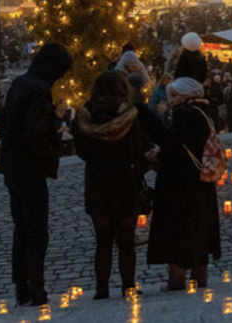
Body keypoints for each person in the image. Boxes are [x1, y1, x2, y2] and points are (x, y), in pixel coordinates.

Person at [0, 42, 74, 307]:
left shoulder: (20, 83)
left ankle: (22, 287)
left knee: (21, 229)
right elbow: (34, 133)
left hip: (12, 167)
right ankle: (37, 288)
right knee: (36, 232)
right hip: (30, 169)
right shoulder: (40, 90)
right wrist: (52, 156)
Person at [73, 71, 147, 300]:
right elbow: (140, 148)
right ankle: (128, 288)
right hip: (126, 182)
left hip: (97, 183)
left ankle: (101, 290)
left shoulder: (84, 116)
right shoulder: (130, 115)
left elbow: (81, 151)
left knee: (102, 242)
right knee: (126, 242)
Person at [144, 78, 221, 291]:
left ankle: (177, 280)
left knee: (179, 230)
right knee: (199, 229)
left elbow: (172, 143)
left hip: (182, 184)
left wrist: (145, 117)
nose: (171, 100)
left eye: (175, 95)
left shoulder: (186, 115)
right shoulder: (202, 112)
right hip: (200, 182)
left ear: (188, 96)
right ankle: (199, 277)